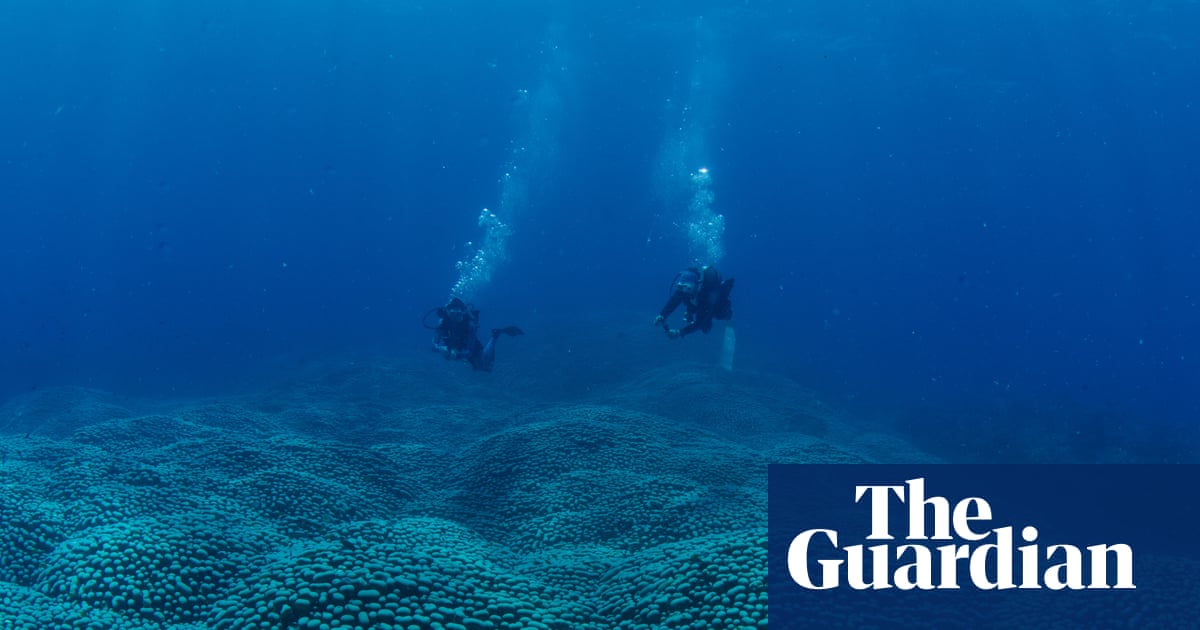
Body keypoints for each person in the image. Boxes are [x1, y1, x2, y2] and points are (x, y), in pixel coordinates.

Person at [430, 297, 523, 371]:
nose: (454, 316)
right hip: (454, 346)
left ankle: (495, 335)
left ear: (463, 312)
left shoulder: (470, 324)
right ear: (446, 311)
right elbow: (434, 344)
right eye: (451, 311)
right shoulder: (442, 323)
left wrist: (457, 355)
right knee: (476, 366)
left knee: (484, 366)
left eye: (458, 312)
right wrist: (440, 348)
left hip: (469, 344)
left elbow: (470, 350)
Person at [654, 265, 734, 339]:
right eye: (682, 288)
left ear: (697, 284)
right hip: (697, 300)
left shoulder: (707, 294)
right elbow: (673, 301)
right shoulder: (684, 288)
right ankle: (691, 310)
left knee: (706, 325)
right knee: (690, 303)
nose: (684, 291)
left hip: (710, 304)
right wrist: (662, 315)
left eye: (688, 289)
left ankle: (728, 315)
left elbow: (699, 322)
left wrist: (680, 332)